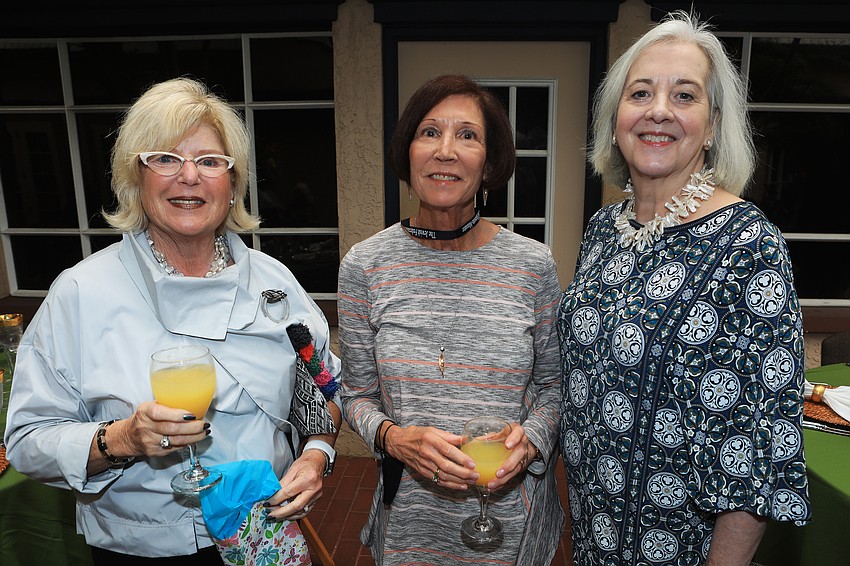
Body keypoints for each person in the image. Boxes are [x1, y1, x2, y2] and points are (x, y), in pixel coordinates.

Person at [4, 77, 341, 564]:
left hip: (265, 533)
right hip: (145, 549)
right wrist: (122, 439)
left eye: (210, 161)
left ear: (233, 183)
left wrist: (316, 456)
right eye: (165, 158)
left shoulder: (275, 281)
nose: (189, 177)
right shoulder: (80, 293)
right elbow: (27, 441)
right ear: (135, 178)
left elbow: (325, 390)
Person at [557, 12, 811, 566]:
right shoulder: (604, 228)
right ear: (616, 118)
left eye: (685, 95)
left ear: (713, 125)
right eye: (640, 93)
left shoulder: (749, 245)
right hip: (594, 539)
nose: (659, 111)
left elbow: (758, 448)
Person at [338, 74, 564, 565]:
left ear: (490, 163)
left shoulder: (533, 265)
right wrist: (395, 438)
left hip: (513, 519)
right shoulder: (365, 265)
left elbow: (554, 387)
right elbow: (355, 395)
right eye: (429, 132)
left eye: (467, 135)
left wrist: (532, 443)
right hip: (410, 521)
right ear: (408, 153)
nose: (445, 151)